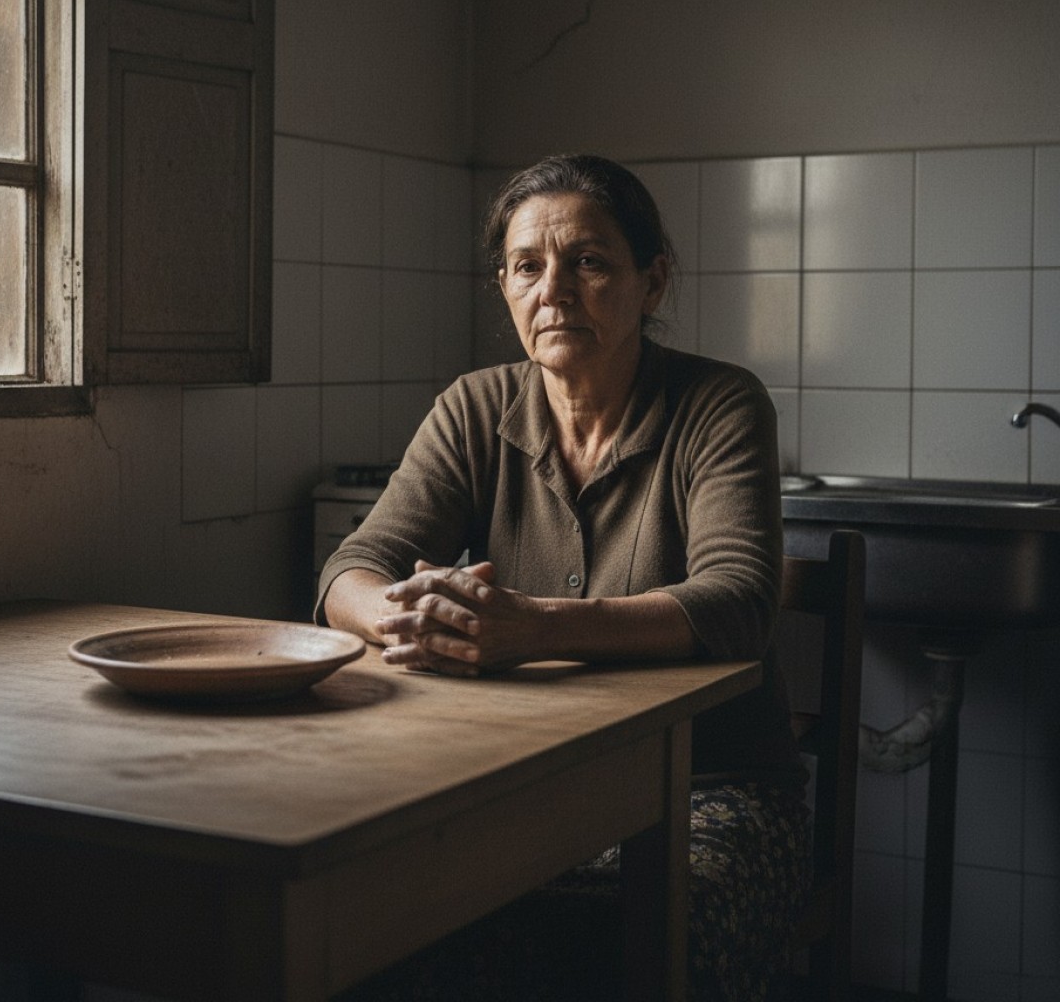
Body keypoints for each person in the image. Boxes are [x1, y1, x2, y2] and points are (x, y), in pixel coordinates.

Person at [317, 154, 811, 1001]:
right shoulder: (473, 407)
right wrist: (410, 615)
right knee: (377, 917)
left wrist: (535, 628)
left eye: (588, 262)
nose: (554, 291)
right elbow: (349, 571)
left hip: (708, 786)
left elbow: (738, 603)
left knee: (616, 939)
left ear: (652, 281)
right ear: (504, 288)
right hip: (523, 784)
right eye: (526, 267)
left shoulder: (719, 404)